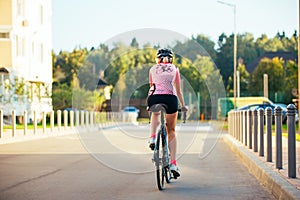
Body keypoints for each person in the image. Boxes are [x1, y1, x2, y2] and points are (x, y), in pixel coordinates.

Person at [147, 48, 188, 178]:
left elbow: (152, 86)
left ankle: (153, 137)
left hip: (154, 98)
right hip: (170, 99)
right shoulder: (175, 69)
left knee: (155, 114)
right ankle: (173, 164)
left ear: (157, 59)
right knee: (171, 131)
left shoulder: (152, 69)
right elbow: (178, 90)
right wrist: (183, 106)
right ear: (171, 59)